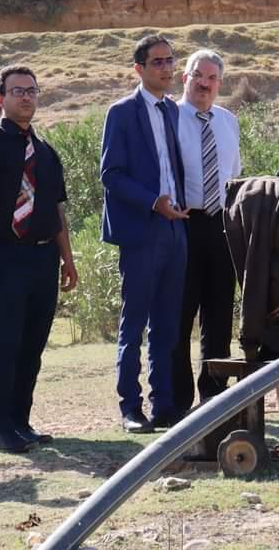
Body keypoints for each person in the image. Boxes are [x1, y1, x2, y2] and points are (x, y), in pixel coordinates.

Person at [0, 65, 78, 453]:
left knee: (32, 343)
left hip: (43, 258)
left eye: (31, 90)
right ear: (0, 98)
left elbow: (56, 211)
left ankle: (21, 420)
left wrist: (68, 258)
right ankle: (0, 427)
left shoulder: (46, 152)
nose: (25, 97)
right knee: (6, 341)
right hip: (4, 256)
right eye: (16, 91)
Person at [101, 34, 189, 433]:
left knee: (168, 324)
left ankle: (165, 406)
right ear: (138, 69)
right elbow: (111, 175)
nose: (167, 68)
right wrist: (154, 202)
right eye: (157, 62)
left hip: (175, 229)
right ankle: (130, 408)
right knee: (134, 323)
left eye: (170, 60)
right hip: (141, 229)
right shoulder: (121, 113)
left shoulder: (173, 111)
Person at [171, 49, 242, 414]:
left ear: (220, 83)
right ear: (185, 78)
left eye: (212, 78)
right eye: (198, 75)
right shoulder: (169, 116)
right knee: (180, 314)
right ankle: (178, 401)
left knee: (218, 315)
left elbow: (236, 175)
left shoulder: (228, 121)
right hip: (182, 223)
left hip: (222, 225)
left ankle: (214, 398)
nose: (204, 83)